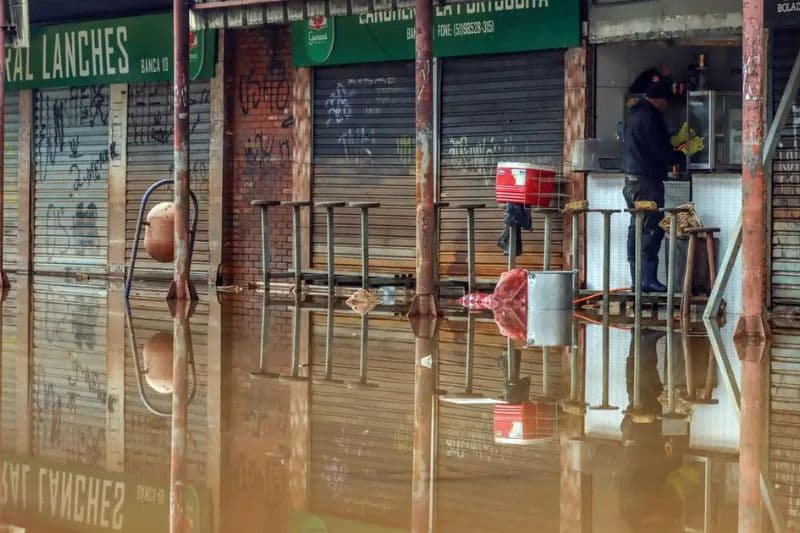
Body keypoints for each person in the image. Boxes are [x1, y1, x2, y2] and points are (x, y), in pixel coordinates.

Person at [621, 76, 690, 292]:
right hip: (647, 182)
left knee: (636, 228)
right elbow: (657, 150)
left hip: (631, 182)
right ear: (660, 100)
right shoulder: (652, 116)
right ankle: (647, 280)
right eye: (666, 102)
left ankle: (637, 281)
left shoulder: (634, 114)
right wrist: (679, 156)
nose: (666, 107)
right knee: (651, 229)